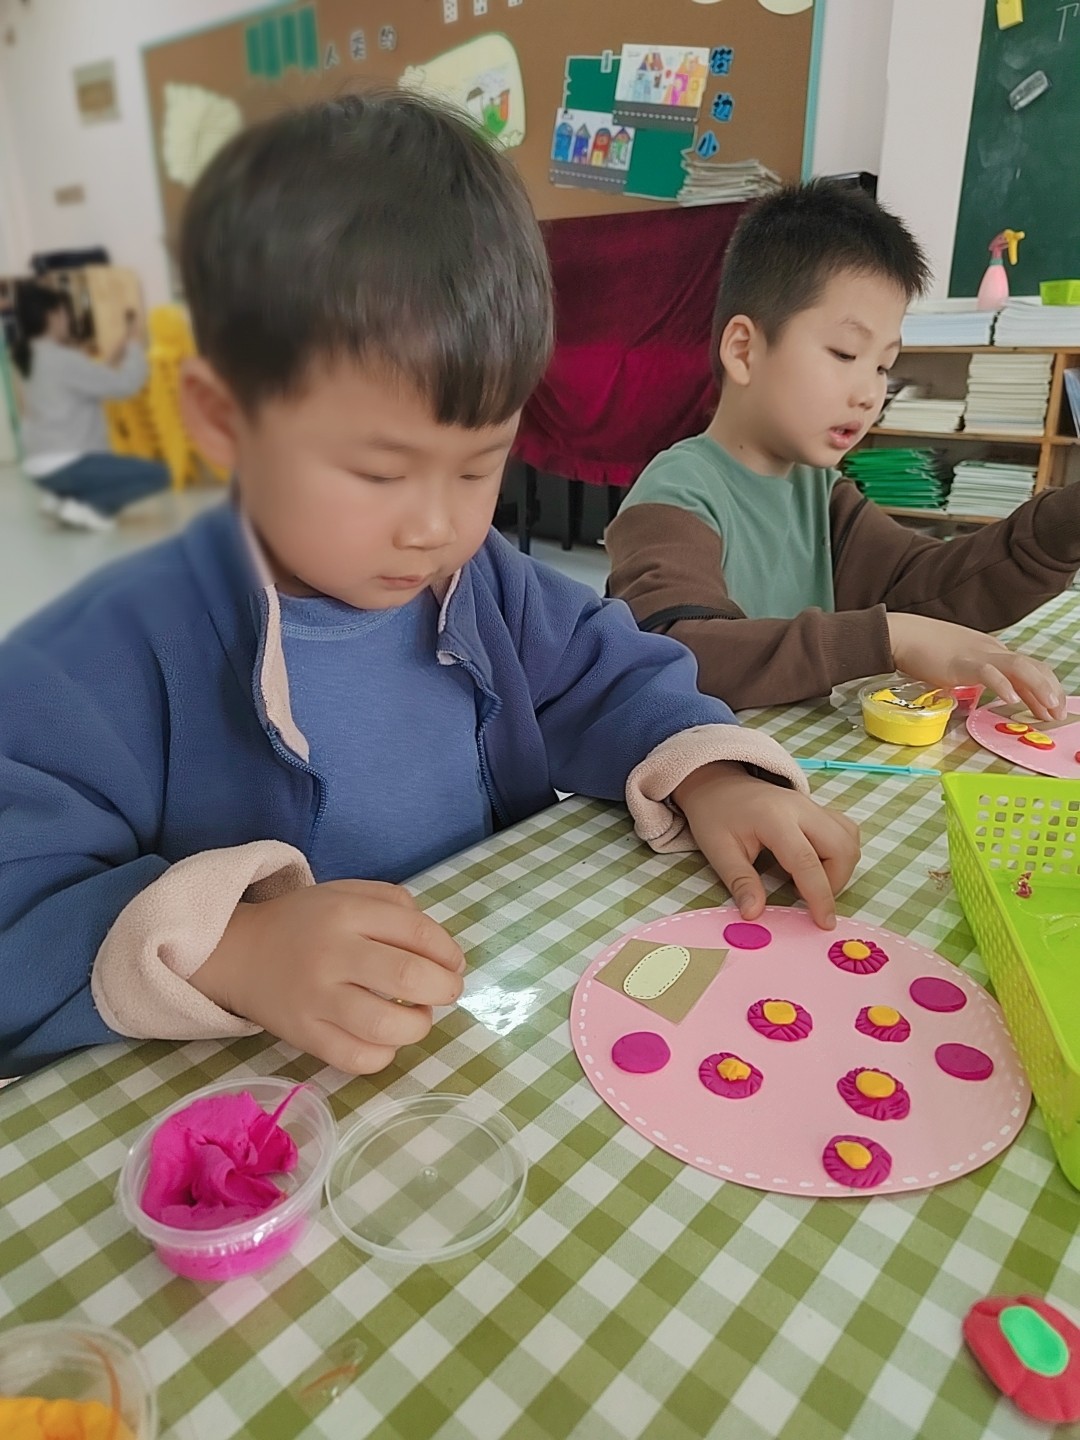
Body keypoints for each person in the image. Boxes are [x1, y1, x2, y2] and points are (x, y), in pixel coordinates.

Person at [0, 93, 860, 1078]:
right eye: (378, 472)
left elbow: (609, 672)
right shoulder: (111, 654)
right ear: (224, 420)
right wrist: (237, 947)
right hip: (255, 1103)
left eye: (479, 465)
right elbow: (16, 917)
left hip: (472, 1049)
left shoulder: (480, 581)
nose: (435, 527)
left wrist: (711, 774)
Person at [605, 181, 1080, 716]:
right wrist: (890, 638)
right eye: (845, 353)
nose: (870, 393)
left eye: (883, 365)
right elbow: (677, 651)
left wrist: (1064, 525)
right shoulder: (674, 494)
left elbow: (928, 588)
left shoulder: (820, 490)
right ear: (743, 350)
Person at [12, 282, 169, 532]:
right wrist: (135, 347)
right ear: (52, 316)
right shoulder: (63, 359)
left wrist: (118, 353)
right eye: (65, 313)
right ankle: (92, 508)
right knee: (159, 475)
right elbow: (126, 385)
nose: (68, 320)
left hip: (39, 469)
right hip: (69, 464)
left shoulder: (29, 356)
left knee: (112, 469)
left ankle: (61, 499)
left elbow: (86, 381)